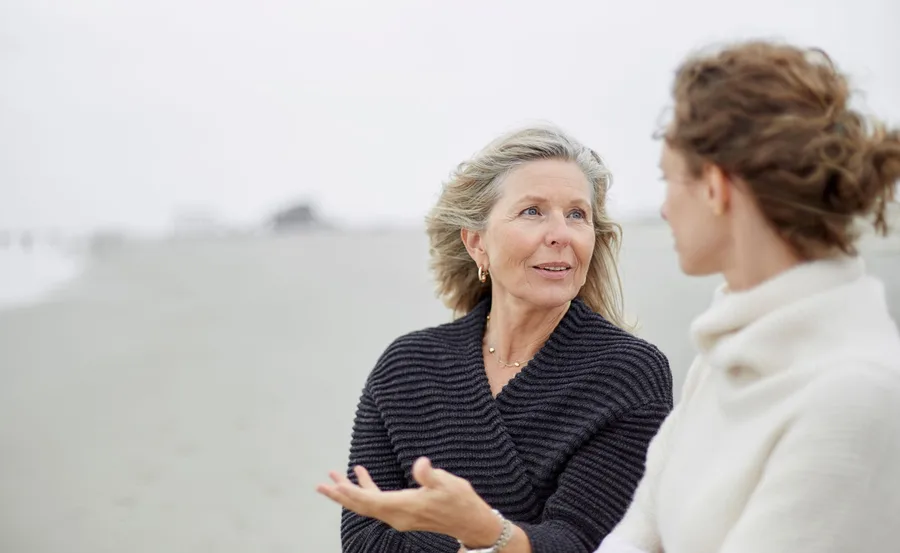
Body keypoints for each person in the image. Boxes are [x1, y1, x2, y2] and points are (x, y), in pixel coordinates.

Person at [595, 40, 900, 553]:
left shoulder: (857, 394)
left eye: (667, 179)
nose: (665, 208)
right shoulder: (722, 356)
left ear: (715, 186)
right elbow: (638, 530)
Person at [316, 125, 674, 552]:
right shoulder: (407, 365)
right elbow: (364, 540)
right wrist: (489, 538)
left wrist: (484, 532)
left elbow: (587, 543)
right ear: (477, 243)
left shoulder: (627, 372)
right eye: (532, 211)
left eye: (577, 214)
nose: (561, 233)